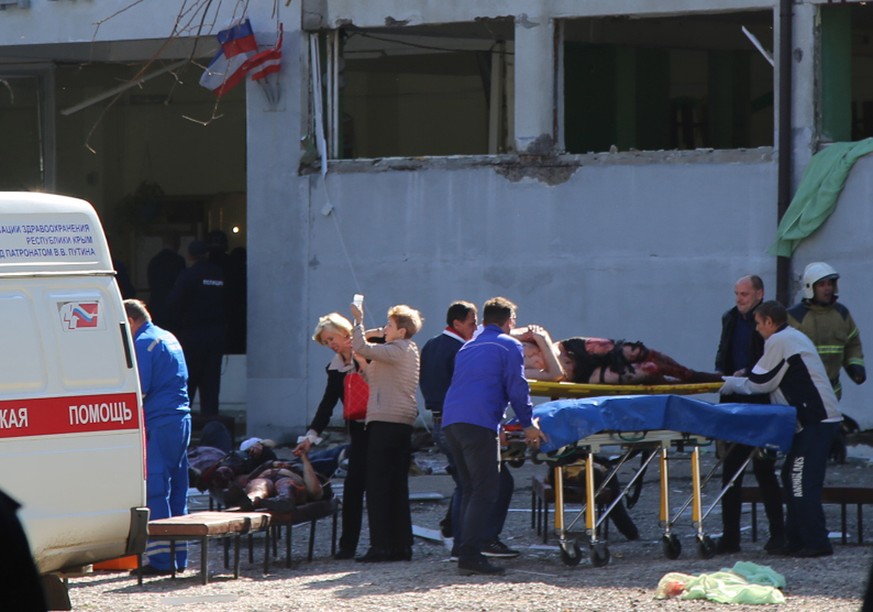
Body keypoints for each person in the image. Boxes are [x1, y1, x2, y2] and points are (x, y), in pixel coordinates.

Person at [721, 300, 841, 558]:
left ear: (769, 322)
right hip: (813, 421)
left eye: (758, 324)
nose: (756, 330)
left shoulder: (779, 341)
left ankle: (816, 542)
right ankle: (796, 540)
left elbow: (760, 383)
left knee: (800, 481)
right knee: (791, 477)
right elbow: (767, 377)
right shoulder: (791, 336)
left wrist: (729, 383)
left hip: (815, 421)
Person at [442, 297, 547, 576]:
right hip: (477, 423)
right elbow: (517, 386)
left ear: (484, 320)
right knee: (487, 489)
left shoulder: (467, 346)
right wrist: (528, 423)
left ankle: (463, 550)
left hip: (452, 422)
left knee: (468, 487)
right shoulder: (509, 344)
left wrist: (497, 425)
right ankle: (471, 555)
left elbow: (471, 385)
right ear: (509, 320)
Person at [420, 301, 520, 559]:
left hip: (442, 421)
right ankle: (479, 540)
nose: (476, 328)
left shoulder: (431, 345)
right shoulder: (463, 349)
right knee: (488, 484)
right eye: (472, 323)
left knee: (465, 485)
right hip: (467, 420)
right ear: (457, 324)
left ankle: (460, 542)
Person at [713, 275, 785, 554]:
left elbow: (770, 359)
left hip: (762, 400)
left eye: (744, 294)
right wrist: (724, 376)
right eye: (737, 293)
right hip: (734, 400)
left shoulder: (768, 321)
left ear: (759, 294)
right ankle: (731, 536)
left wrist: (751, 374)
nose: (739, 299)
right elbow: (724, 352)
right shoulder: (730, 318)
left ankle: (778, 534)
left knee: (765, 470)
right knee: (731, 470)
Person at [292, 312, 369, 560]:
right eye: (326, 341)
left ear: (345, 332)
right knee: (353, 486)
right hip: (357, 429)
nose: (331, 344)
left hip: (380, 424)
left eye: (332, 337)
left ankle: (385, 543)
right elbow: (327, 406)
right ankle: (347, 545)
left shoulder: (369, 352)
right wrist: (310, 437)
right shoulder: (334, 368)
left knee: (380, 486)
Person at [351, 301, 423, 563]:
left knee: (378, 485)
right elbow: (376, 379)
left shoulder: (397, 348)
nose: (385, 328)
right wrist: (362, 362)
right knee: (396, 485)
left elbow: (360, 345)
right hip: (400, 422)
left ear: (401, 331)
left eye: (390, 325)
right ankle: (401, 545)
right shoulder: (404, 351)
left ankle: (381, 546)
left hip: (385, 422)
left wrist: (358, 321)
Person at [124, 299, 192, 576]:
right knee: (178, 490)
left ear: (129, 321)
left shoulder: (142, 343)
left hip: (159, 421)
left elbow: (140, 388)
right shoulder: (167, 336)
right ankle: (180, 558)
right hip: (181, 420)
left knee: (155, 489)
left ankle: (162, 561)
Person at [788, 262, 866, 463]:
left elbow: (852, 342)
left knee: (824, 430)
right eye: (822, 284)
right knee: (808, 435)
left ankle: (828, 450)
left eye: (830, 283)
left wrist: (855, 365)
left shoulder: (842, 314)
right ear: (810, 287)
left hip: (832, 388)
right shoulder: (795, 317)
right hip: (805, 389)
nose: (828, 288)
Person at [521, 329, 721, 384]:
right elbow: (555, 375)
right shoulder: (515, 371)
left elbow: (533, 330)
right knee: (649, 369)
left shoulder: (497, 338)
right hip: (581, 374)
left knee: (636, 352)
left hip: (570, 349)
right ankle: (681, 382)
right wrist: (544, 342)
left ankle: (688, 374)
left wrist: (543, 340)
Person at [165, 239, 226, 417]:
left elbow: (173, 303)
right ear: (207, 254)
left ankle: (184, 428)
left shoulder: (188, 275)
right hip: (215, 336)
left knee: (188, 385)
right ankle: (211, 429)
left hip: (192, 336)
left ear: (190, 256)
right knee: (211, 387)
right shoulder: (219, 275)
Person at [146, 231, 186, 329]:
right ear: (177, 243)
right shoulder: (179, 261)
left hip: (156, 306)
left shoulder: (154, 261)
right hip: (174, 311)